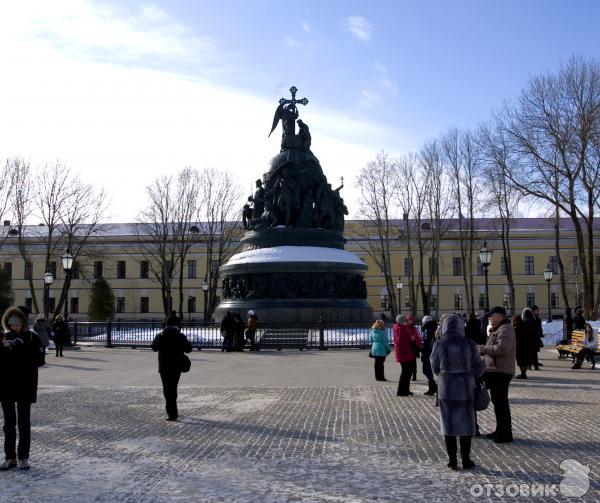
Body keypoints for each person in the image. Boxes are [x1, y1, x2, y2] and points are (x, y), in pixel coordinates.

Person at [431, 314, 485, 470]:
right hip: (465, 388)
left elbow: (434, 367)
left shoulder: (439, 344)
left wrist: (445, 373)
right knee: (466, 424)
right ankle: (466, 460)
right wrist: (470, 375)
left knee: (448, 425)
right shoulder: (469, 344)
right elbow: (480, 367)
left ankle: (452, 460)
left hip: (446, 387)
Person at [0, 307, 43, 470]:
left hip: (25, 385)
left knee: (24, 423)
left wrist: (20, 348)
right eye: (11, 325)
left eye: (17, 325)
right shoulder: (4, 337)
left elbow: (39, 360)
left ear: (23, 323)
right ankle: (10, 457)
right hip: (6, 386)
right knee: (8, 424)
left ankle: (23, 457)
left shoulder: (32, 337)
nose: (14, 328)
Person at [477, 306, 516, 443]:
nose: (489, 318)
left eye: (491, 316)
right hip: (496, 370)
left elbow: (503, 348)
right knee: (498, 402)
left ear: (499, 316)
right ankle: (500, 430)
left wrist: (484, 349)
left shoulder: (505, 329)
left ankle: (506, 433)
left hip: (501, 371)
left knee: (501, 403)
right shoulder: (499, 329)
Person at [151, 325, 192, 421]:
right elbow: (188, 349)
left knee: (166, 388)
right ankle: (173, 411)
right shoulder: (180, 336)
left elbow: (154, 348)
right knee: (173, 387)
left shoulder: (160, 335)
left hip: (164, 366)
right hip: (176, 366)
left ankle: (171, 412)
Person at [394, 314, 422, 396]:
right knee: (406, 373)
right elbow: (400, 342)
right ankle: (402, 391)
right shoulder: (401, 328)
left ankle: (405, 389)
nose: (407, 322)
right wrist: (411, 339)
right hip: (404, 353)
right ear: (402, 322)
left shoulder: (401, 328)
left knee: (407, 372)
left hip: (406, 353)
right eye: (406, 321)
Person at [420, 315, 438, 395]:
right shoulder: (432, 327)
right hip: (429, 351)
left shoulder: (428, 329)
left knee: (426, 370)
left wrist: (421, 347)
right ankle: (433, 387)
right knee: (427, 370)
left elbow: (428, 342)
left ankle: (433, 388)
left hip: (428, 352)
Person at [513, 314, 534, 379]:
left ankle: (523, 374)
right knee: (525, 361)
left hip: (519, 347)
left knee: (521, 361)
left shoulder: (516, 329)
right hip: (527, 346)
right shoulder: (525, 326)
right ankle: (524, 373)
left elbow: (515, 338)